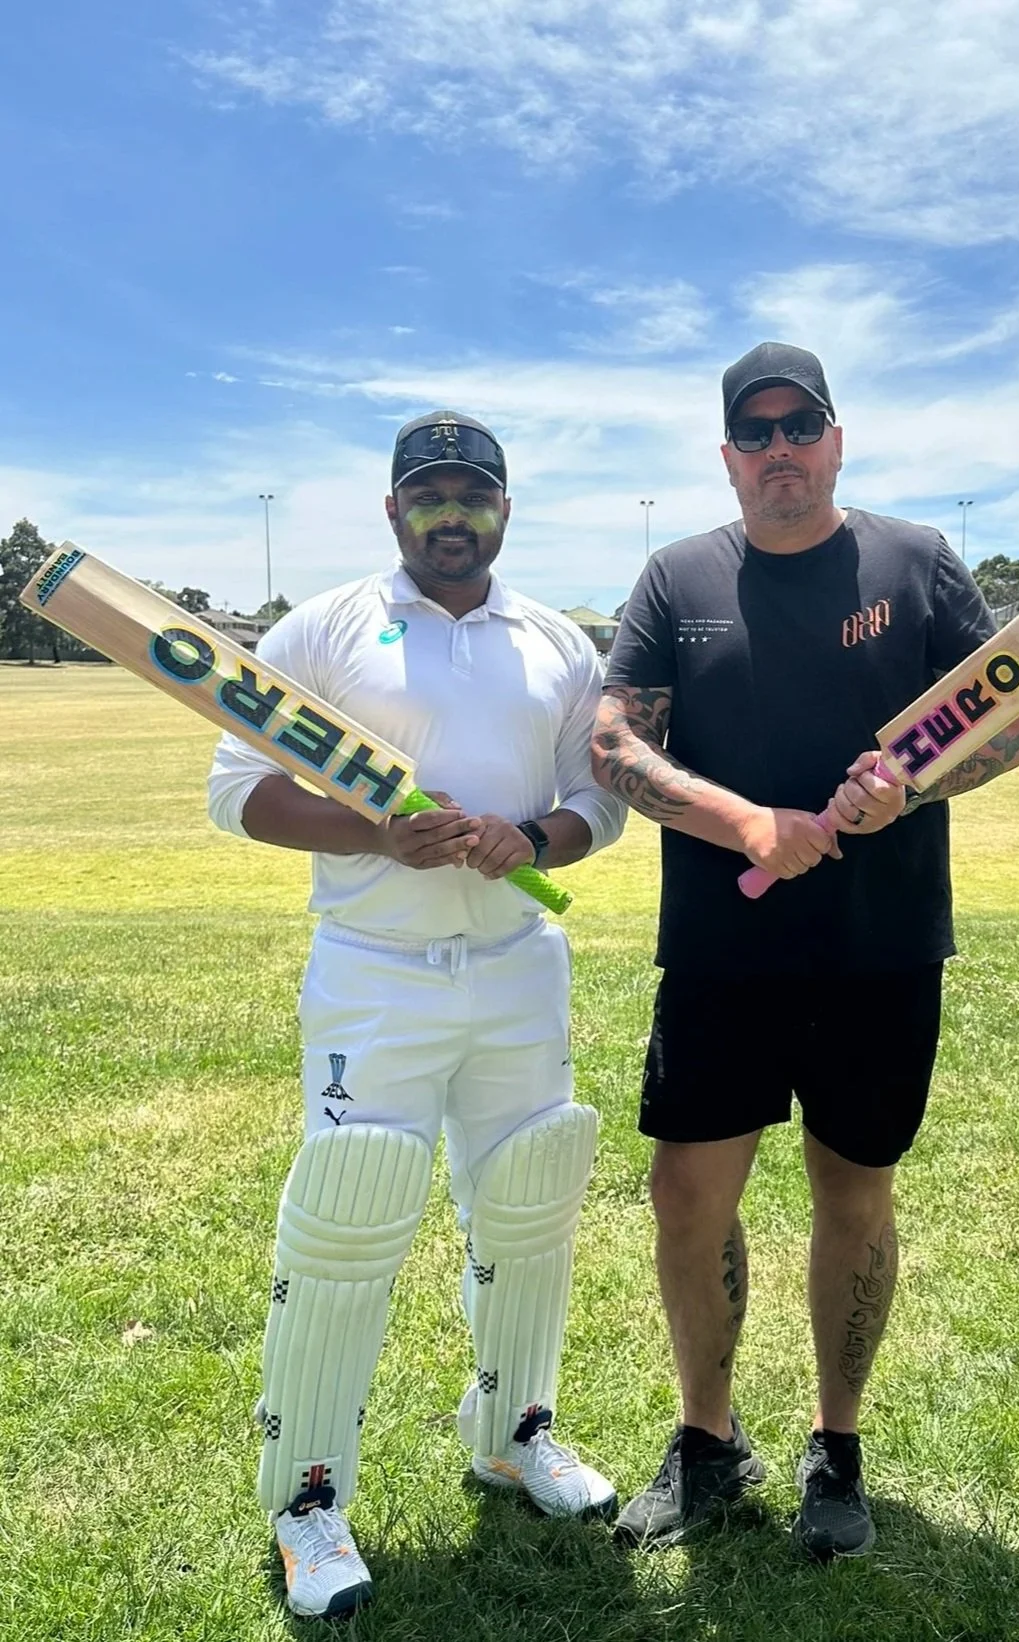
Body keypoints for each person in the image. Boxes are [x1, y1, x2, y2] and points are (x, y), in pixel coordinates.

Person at [591, 342, 1019, 1560]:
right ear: (728, 456)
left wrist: (915, 781)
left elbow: (1006, 724)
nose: (780, 450)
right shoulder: (675, 575)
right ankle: (706, 1437)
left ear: (836, 439)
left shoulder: (916, 562)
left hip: (877, 947)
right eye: (756, 432)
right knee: (687, 1195)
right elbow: (613, 745)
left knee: (855, 1192)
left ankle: (835, 1447)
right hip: (722, 953)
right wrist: (745, 822)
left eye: (802, 427)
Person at [207, 411, 626, 1617]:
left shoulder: (556, 643)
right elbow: (239, 791)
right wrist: (375, 833)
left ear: (505, 508)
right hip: (374, 967)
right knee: (351, 1208)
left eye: (474, 495)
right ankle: (308, 1502)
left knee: (531, 1196)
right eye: (430, 494)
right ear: (394, 509)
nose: (454, 513)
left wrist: (532, 835)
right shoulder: (324, 627)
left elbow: (599, 801)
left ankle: (513, 1432)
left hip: (514, 964)